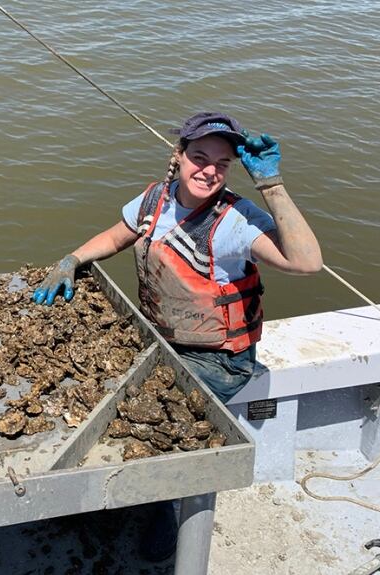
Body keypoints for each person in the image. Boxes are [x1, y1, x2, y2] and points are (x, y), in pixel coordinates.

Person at [32, 111, 322, 560]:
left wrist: (272, 184)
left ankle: (165, 508)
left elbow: (306, 263)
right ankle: (98, 493)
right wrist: (71, 258)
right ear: (179, 156)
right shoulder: (155, 199)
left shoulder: (235, 222)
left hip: (219, 359)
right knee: (82, 386)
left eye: (222, 163)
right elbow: (115, 237)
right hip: (162, 342)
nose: (208, 170)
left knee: (160, 429)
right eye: (199, 157)